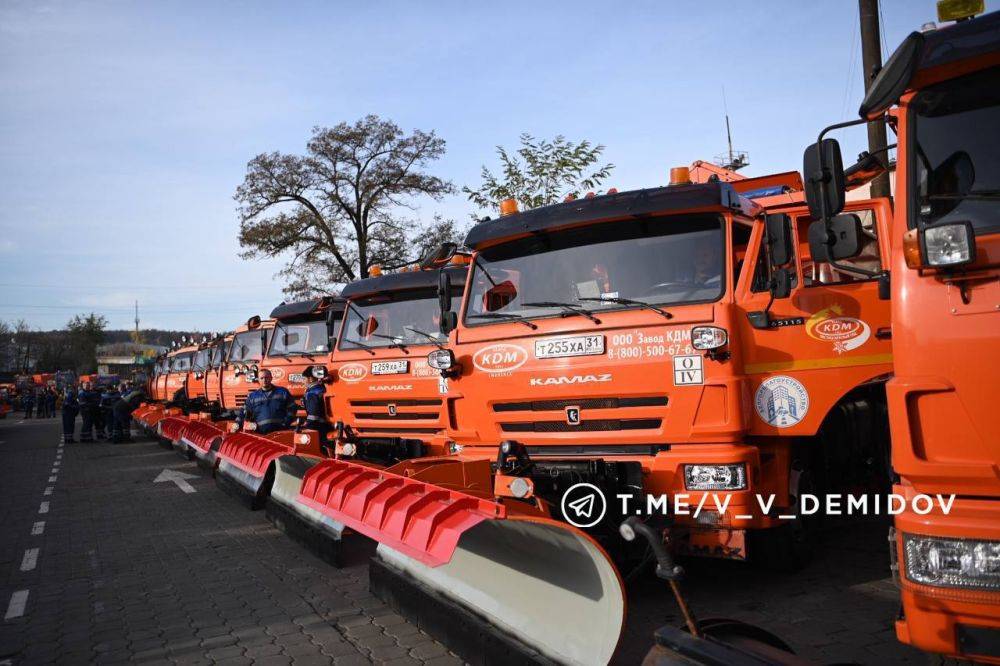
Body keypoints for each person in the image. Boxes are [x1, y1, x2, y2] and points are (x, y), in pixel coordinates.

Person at [236, 369, 295, 435]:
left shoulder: (283, 392)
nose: (264, 380)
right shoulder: (252, 396)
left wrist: (286, 423)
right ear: (258, 379)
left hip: (280, 433)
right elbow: (244, 412)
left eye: (266, 377)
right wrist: (237, 424)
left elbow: (292, 409)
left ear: (271, 378)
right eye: (261, 378)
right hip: (261, 435)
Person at [301, 366, 331, 454]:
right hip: (326, 425)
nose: (303, 381)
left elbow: (313, 415)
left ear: (310, 379)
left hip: (317, 427)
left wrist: (308, 426)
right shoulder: (322, 389)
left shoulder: (311, 393)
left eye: (304, 378)